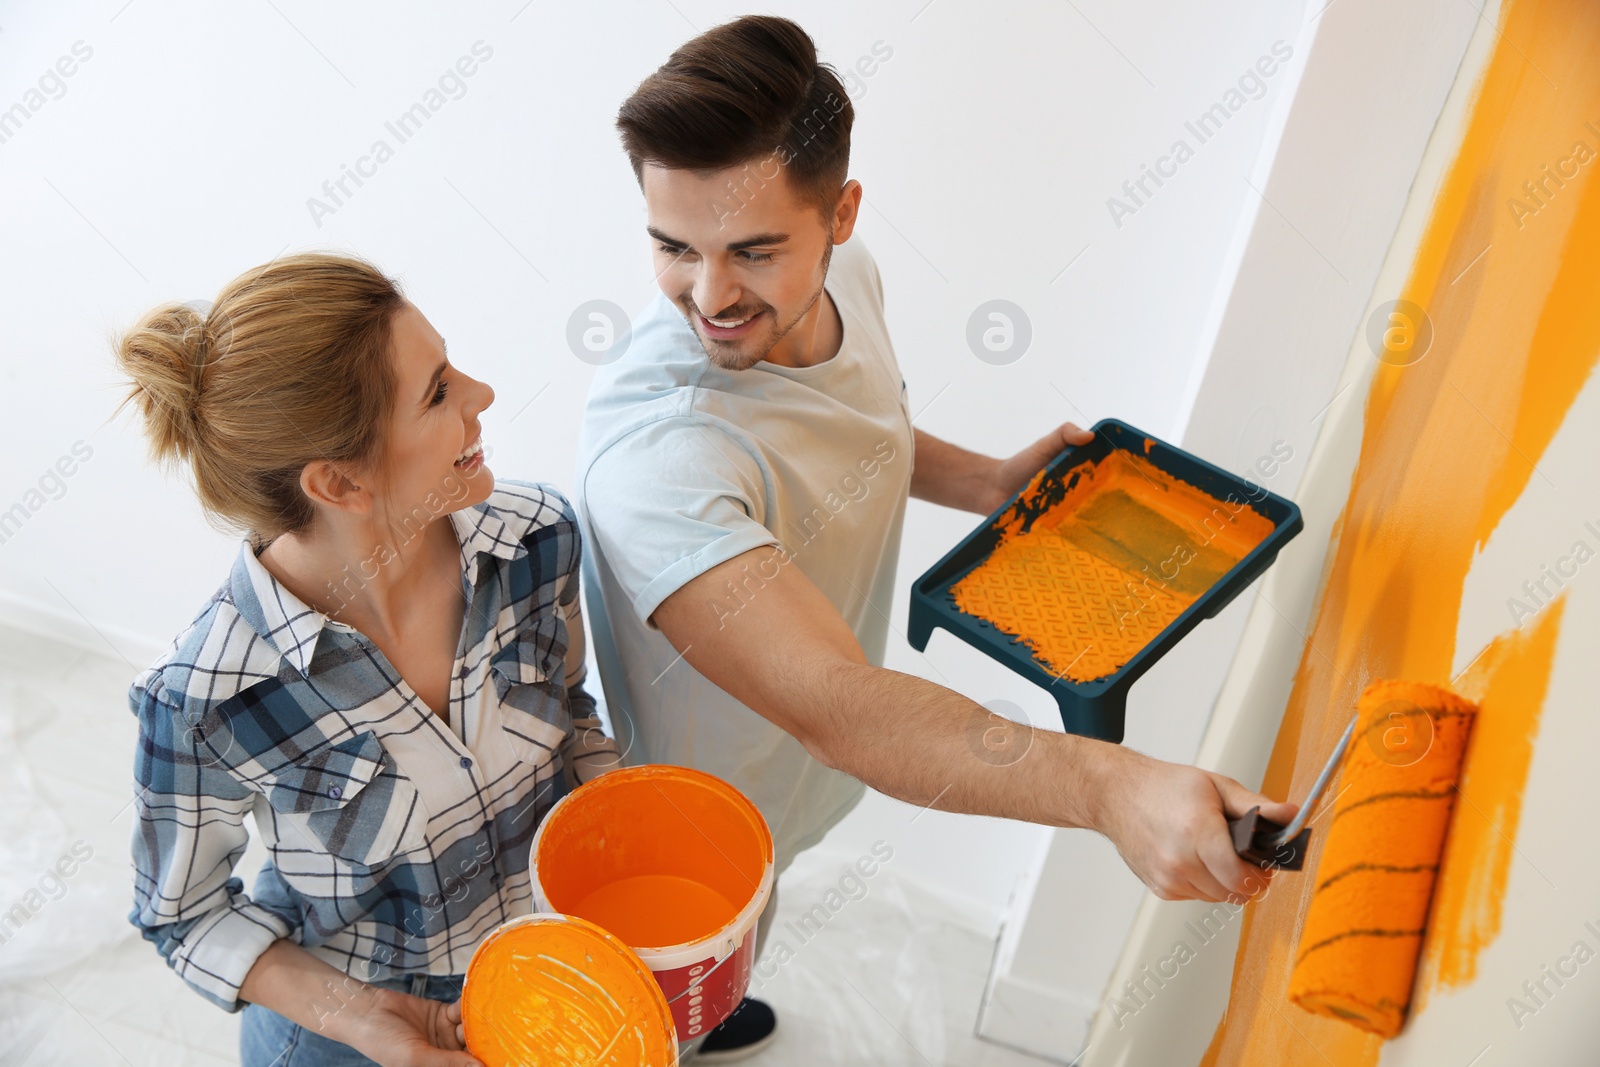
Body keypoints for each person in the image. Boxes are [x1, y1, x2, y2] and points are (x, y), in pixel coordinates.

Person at [576, 16, 1298, 1059]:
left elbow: (853, 431)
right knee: (654, 1021)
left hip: (789, 782)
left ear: (841, 217)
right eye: (671, 247)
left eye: (754, 250)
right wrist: (1110, 786)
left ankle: (721, 1010)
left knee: (748, 936)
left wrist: (988, 482)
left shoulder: (848, 281)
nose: (711, 297)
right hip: (684, 828)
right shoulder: (660, 461)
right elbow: (836, 706)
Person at [119, 253, 617, 1067]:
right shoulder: (204, 699)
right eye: (437, 393)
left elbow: (574, 716)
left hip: (552, 989)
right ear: (339, 483)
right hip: (351, 1043)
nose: (482, 395)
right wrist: (361, 1018)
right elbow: (185, 914)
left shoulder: (539, 538)